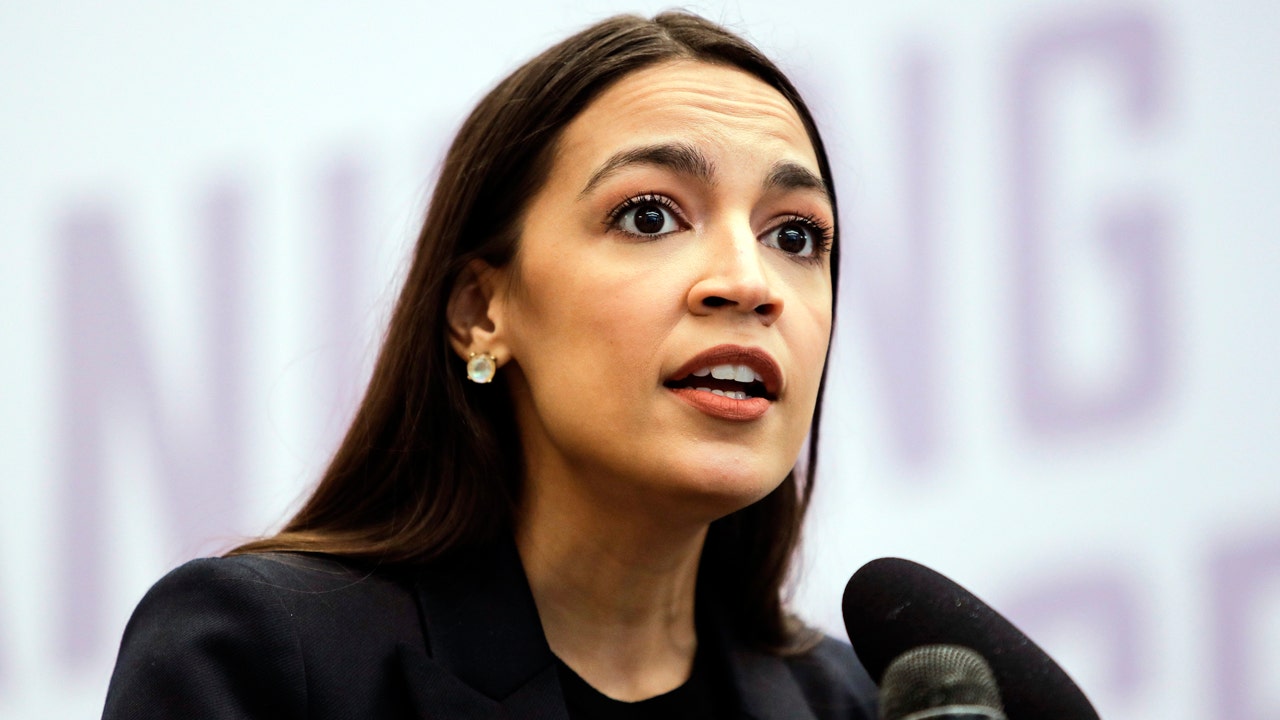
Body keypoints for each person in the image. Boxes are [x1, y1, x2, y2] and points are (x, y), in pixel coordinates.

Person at [102, 11, 878, 719]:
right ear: (480, 312)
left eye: (795, 236)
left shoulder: (860, 704)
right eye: (649, 216)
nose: (749, 282)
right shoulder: (266, 658)